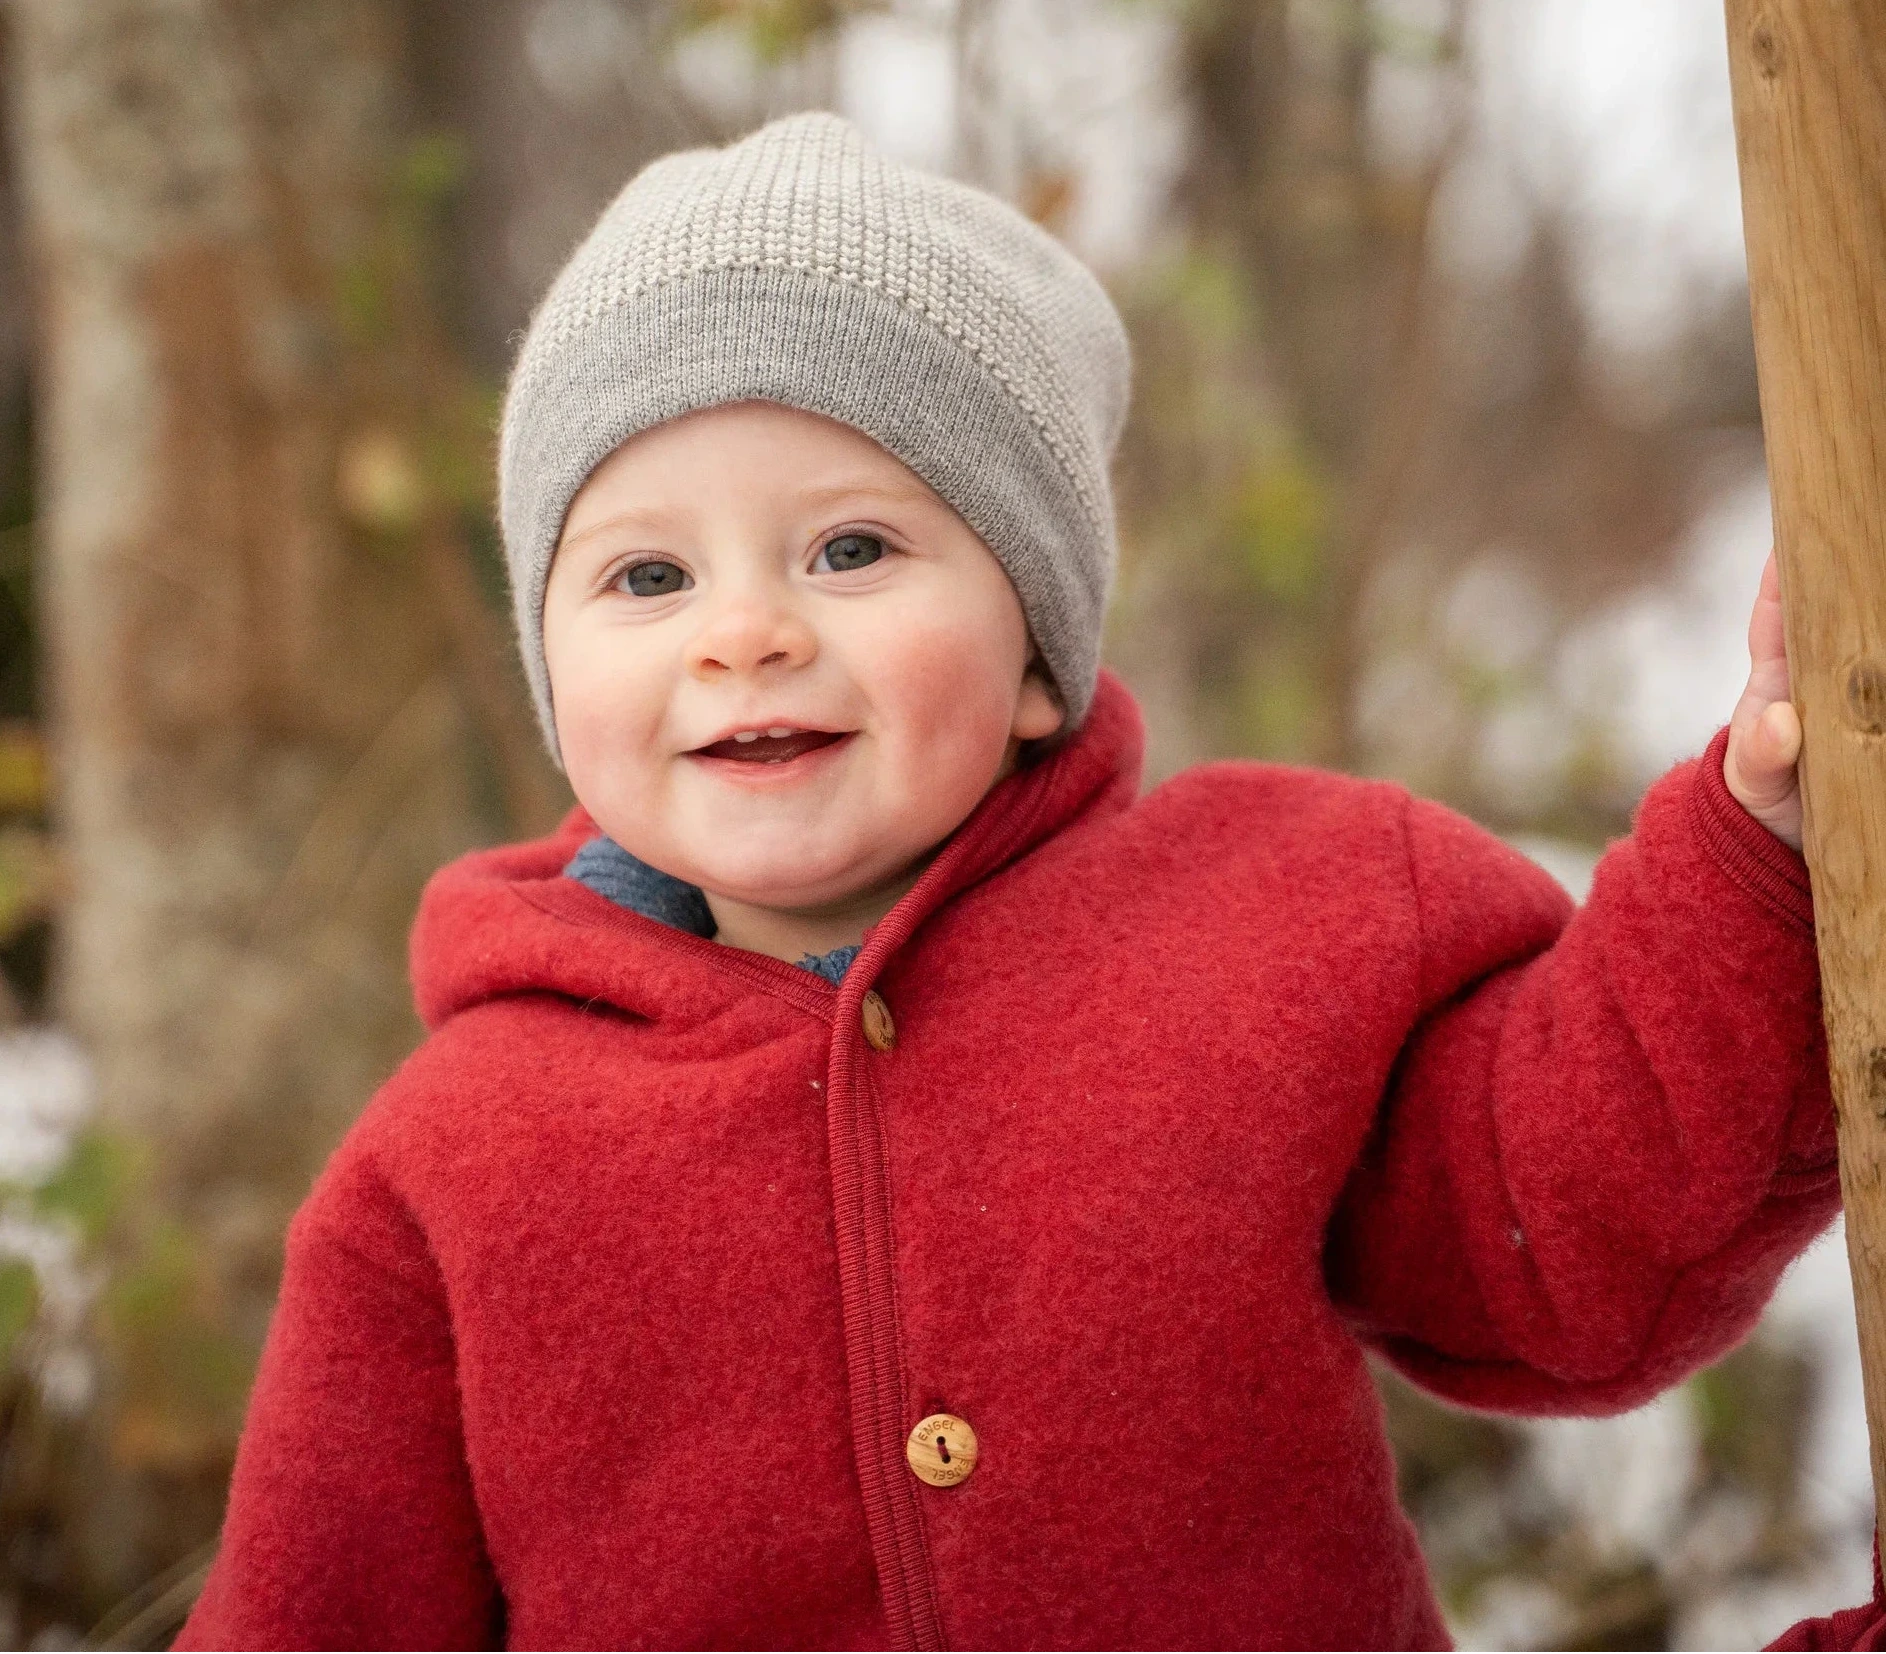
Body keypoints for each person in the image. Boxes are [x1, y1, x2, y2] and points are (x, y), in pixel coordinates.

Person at [173, 110, 1835, 1653]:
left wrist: (1752, 854)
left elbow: (1575, 1245)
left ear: (1034, 649)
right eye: (646, 572)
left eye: (849, 548)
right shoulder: (456, 1157)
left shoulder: (1275, 924)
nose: (740, 630)